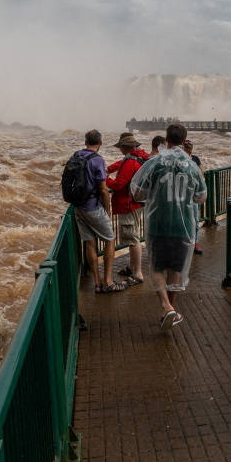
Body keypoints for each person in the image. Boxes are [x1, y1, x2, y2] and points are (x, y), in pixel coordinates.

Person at [129, 121, 206, 330]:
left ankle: (165, 306)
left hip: (158, 224)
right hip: (184, 228)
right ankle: (170, 308)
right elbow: (202, 196)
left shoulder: (154, 163)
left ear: (166, 138)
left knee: (156, 267)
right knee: (176, 270)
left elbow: (136, 191)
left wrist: (153, 195)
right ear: (183, 140)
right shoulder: (191, 165)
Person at [68, 129, 125, 293]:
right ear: (100, 143)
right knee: (110, 239)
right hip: (93, 207)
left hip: (78, 206)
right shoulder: (97, 160)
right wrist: (108, 210)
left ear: (86, 142)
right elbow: (103, 189)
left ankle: (97, 283)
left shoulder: (76, 155)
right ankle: (108, 281)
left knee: (90, 242)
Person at [106, 131, 149, 284]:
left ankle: (137, 274)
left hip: (128, 205)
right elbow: (121, 163)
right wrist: (108, 169)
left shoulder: (131, 162)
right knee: (134, 236)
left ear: (125, 147)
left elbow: (118, 185)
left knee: (133, 239)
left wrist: (104, 178)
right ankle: (132, 268)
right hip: (137, 203)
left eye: (120, 147)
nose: (119, 149)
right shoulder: (139, 156)